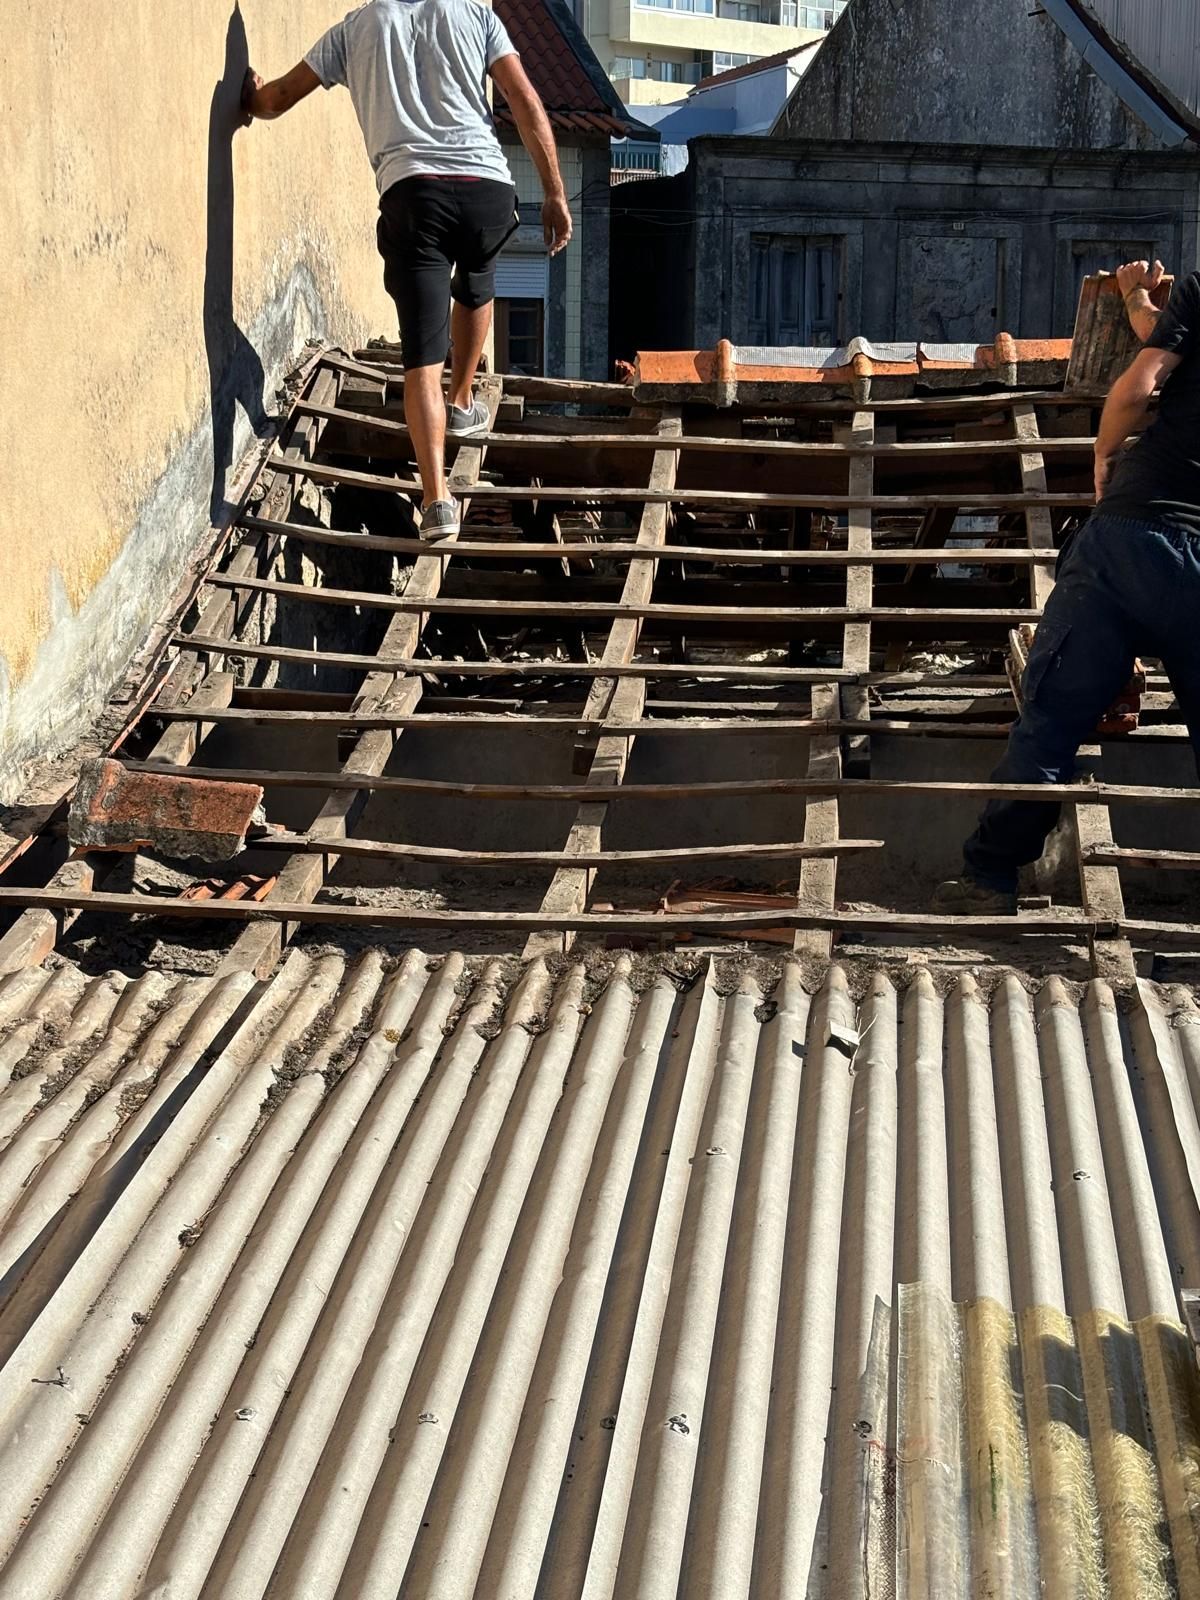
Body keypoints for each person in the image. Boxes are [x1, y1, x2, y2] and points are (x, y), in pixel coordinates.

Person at [242, 0, 572, 538]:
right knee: (477, 279)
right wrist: (555, 193)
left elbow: (277, 98)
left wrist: (250, 96)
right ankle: (462, 401)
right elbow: (525, 98)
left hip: (413, 194)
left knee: (421, 355)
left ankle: (437, 501)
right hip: (485, 187)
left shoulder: (354, 28)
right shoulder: (475, 16)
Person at [934, 258, 1200, 913]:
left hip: (1129, 534)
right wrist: (1137, 299)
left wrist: (1105, 455)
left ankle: (989, 876)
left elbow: (1140, 383)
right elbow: (1157, 328)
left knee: (1051, 723)